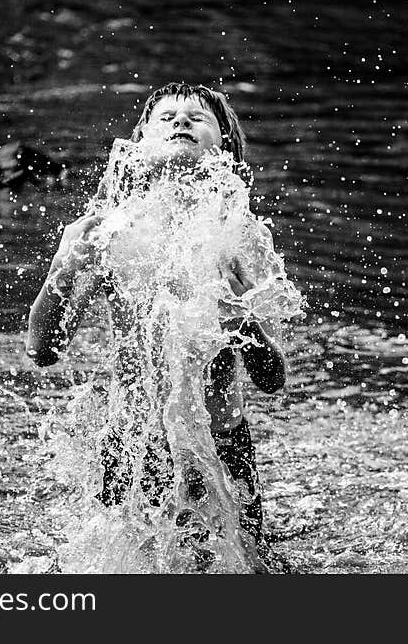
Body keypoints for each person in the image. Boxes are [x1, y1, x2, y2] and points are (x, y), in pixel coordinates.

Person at [25, 83, 291, 556]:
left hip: (220, 445)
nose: (181, 123)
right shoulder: (106, 233)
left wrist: (243, 322)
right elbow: (43, 351)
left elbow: (272, 379)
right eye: (166, 118)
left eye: (196, 117)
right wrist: (65, 268)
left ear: (225, 144)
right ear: (140, 140)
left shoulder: (241, 237)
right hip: (132, 442)